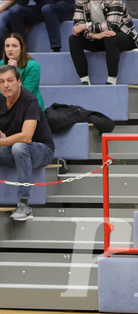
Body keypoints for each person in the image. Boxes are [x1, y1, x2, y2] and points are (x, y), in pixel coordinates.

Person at [0, 64, 54, 221]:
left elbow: (26, 137)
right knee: (16, 148)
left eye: (10, 80)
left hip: (42, 150)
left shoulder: (29, 100)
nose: (6, 85)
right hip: (15, 149)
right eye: (2, 81)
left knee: (19, 147)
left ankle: (24, 205)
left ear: (19, 82)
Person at [68, 0, 138, 86]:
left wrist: (85, 26)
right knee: (74, 39)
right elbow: (77, 27)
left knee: (109, 37)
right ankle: (85, 81)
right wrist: (95, 36)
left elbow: (112, 26)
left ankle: (111, 80)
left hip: (124, 36)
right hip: (99, 37)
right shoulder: (81, 1)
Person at [5, 0, 75, 53]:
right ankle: (21, 49)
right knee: (15, 11)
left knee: (47, 9)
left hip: (63, 7)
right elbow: (23, 3)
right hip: (41, 9)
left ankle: (56, 49)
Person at [0, 33, 44, 110]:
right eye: (7, 46)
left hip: (29, 107)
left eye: (14, 46)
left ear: (21, 49)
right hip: (7, 105)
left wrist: (14, 71)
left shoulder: (33, 66)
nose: (10, 49)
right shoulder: (1, 64)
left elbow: (26, 92)